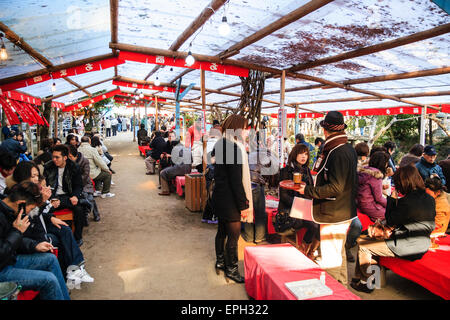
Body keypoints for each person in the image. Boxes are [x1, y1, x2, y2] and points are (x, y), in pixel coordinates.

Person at [6, 162, 94, 287]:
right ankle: (70, 273)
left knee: (64, 227)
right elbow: (30, 218)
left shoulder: (72, 167)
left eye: (37, 175)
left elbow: (37, 213)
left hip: (42, 223)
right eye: (33, 176)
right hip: (32, 234)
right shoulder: (18, 196)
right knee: (58, 239)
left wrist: (50, 215)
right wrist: (44, 203)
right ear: (23, 177)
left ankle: (76, 268)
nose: (36, 179)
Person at [351, 165, 436, 293]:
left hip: (408, 246)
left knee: (364, 246)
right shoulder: (429, 198)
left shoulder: (406, 202)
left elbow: (391, 220)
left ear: (403, 182)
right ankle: (364, 278)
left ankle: (367, 283)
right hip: (422, 242)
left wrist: (392, 200)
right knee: (366, 239)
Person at [298, 111, 357, 285]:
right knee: (339, 253)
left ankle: (332, 292)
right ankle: (343, 288)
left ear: (325, 130)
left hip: (334, 213)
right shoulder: (348, 149)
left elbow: (335, 187)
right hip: (344, 210)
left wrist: (308, 190)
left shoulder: (336, 152)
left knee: (331, 258)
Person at [0, 181, 70, 300]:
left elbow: (10, 239)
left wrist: (34, 246)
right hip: (2, 269)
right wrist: (17, 232)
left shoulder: (8, 210)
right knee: (49, 280)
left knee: (51, 259)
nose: (29, 212)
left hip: (9, 260)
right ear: (21, 203)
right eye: (30, 208)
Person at [212, 114, 252, 283]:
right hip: (230, 201)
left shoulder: (221, 143)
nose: (246, 131)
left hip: (219, 196)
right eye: (244, 128)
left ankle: (220, 262)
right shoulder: (234, 148)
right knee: (233, 237)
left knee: (221, 232)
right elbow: (236, 181)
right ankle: (232, 270)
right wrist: (244, 205)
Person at [346, 151, 390, 262]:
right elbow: (379, 198)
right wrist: (391, 204)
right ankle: (377, 245)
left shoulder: (363, 172)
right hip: (368, 205)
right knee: (389, 214)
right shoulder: (376, 176)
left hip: (357, 203)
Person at [278, 144, 319, 259]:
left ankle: (310, 251)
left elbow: (310, 191)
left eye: (306, 154)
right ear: (295, 154)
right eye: (301, 153)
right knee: (314, 225)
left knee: (322, 221)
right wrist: (300, 205)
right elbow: (284, 196)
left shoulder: (306, 171)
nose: (303, 156)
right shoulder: (286, 171)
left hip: (304, 208)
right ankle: (303, 250)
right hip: (289, 209)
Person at [43, 144, 85, 246]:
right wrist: (52, 198)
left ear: (65, 158)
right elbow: (45, 185)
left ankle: (77, 237)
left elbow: (78, 185)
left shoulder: (73, 167)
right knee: (43, 211)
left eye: (57, 157)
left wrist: (75, 196)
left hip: (68, 196)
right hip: (52, 196)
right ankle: (48, 237)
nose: (54, 159)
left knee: (79, 210)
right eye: (53, 157)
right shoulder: (48, 167)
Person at [68, 145, 100, 221]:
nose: (69, 158)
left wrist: (76, 182)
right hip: (73, 185)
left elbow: (85, 175)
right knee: (83, 199)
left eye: (70, 156)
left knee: (90, 198)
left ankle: (95, 214)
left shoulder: (84, 161)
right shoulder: (68, 163)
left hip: (85, 183)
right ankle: (85, 215)